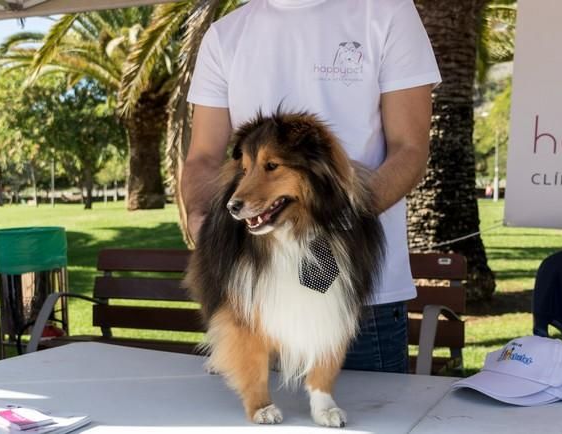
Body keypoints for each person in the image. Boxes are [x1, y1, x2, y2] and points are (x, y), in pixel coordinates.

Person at [181, 0, 440, 373]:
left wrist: (330, 225)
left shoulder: (387, 12)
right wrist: (202, 221)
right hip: (257, 296)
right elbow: (203, 157)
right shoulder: (224, 35)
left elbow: (410, 150)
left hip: (358, 292)